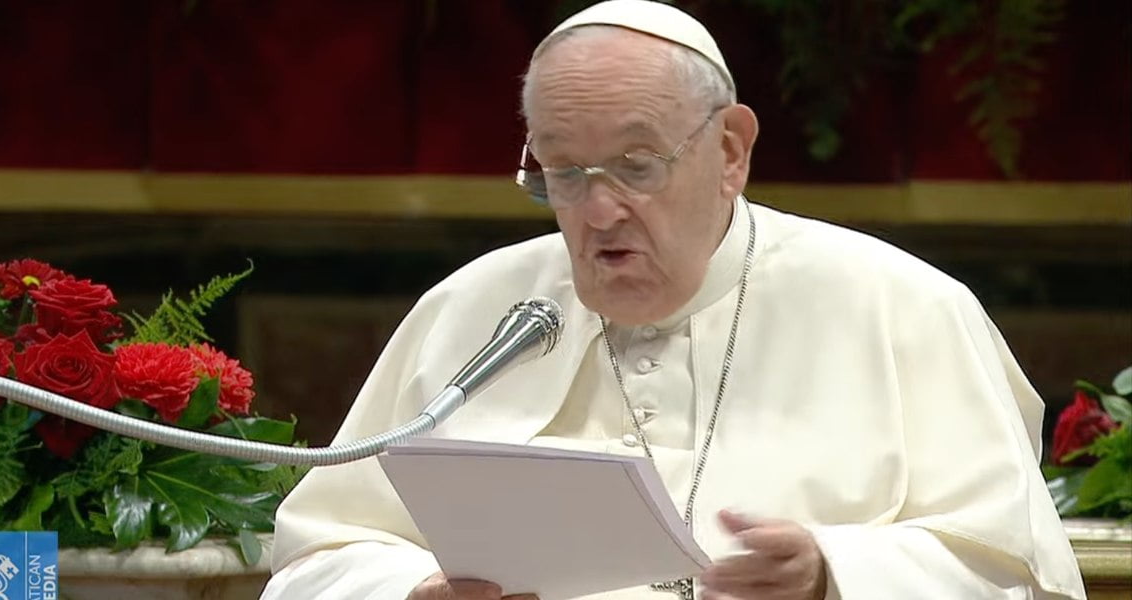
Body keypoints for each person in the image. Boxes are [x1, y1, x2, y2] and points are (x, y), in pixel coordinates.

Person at [260, 1, 1086, 598]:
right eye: (561, 172)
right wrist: (412, 592)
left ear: (730, 151)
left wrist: (832, 574)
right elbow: (315, 559)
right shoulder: (472, 309)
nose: (597, 211)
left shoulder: (902, 307)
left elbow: (1014, 571)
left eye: (636, 165)